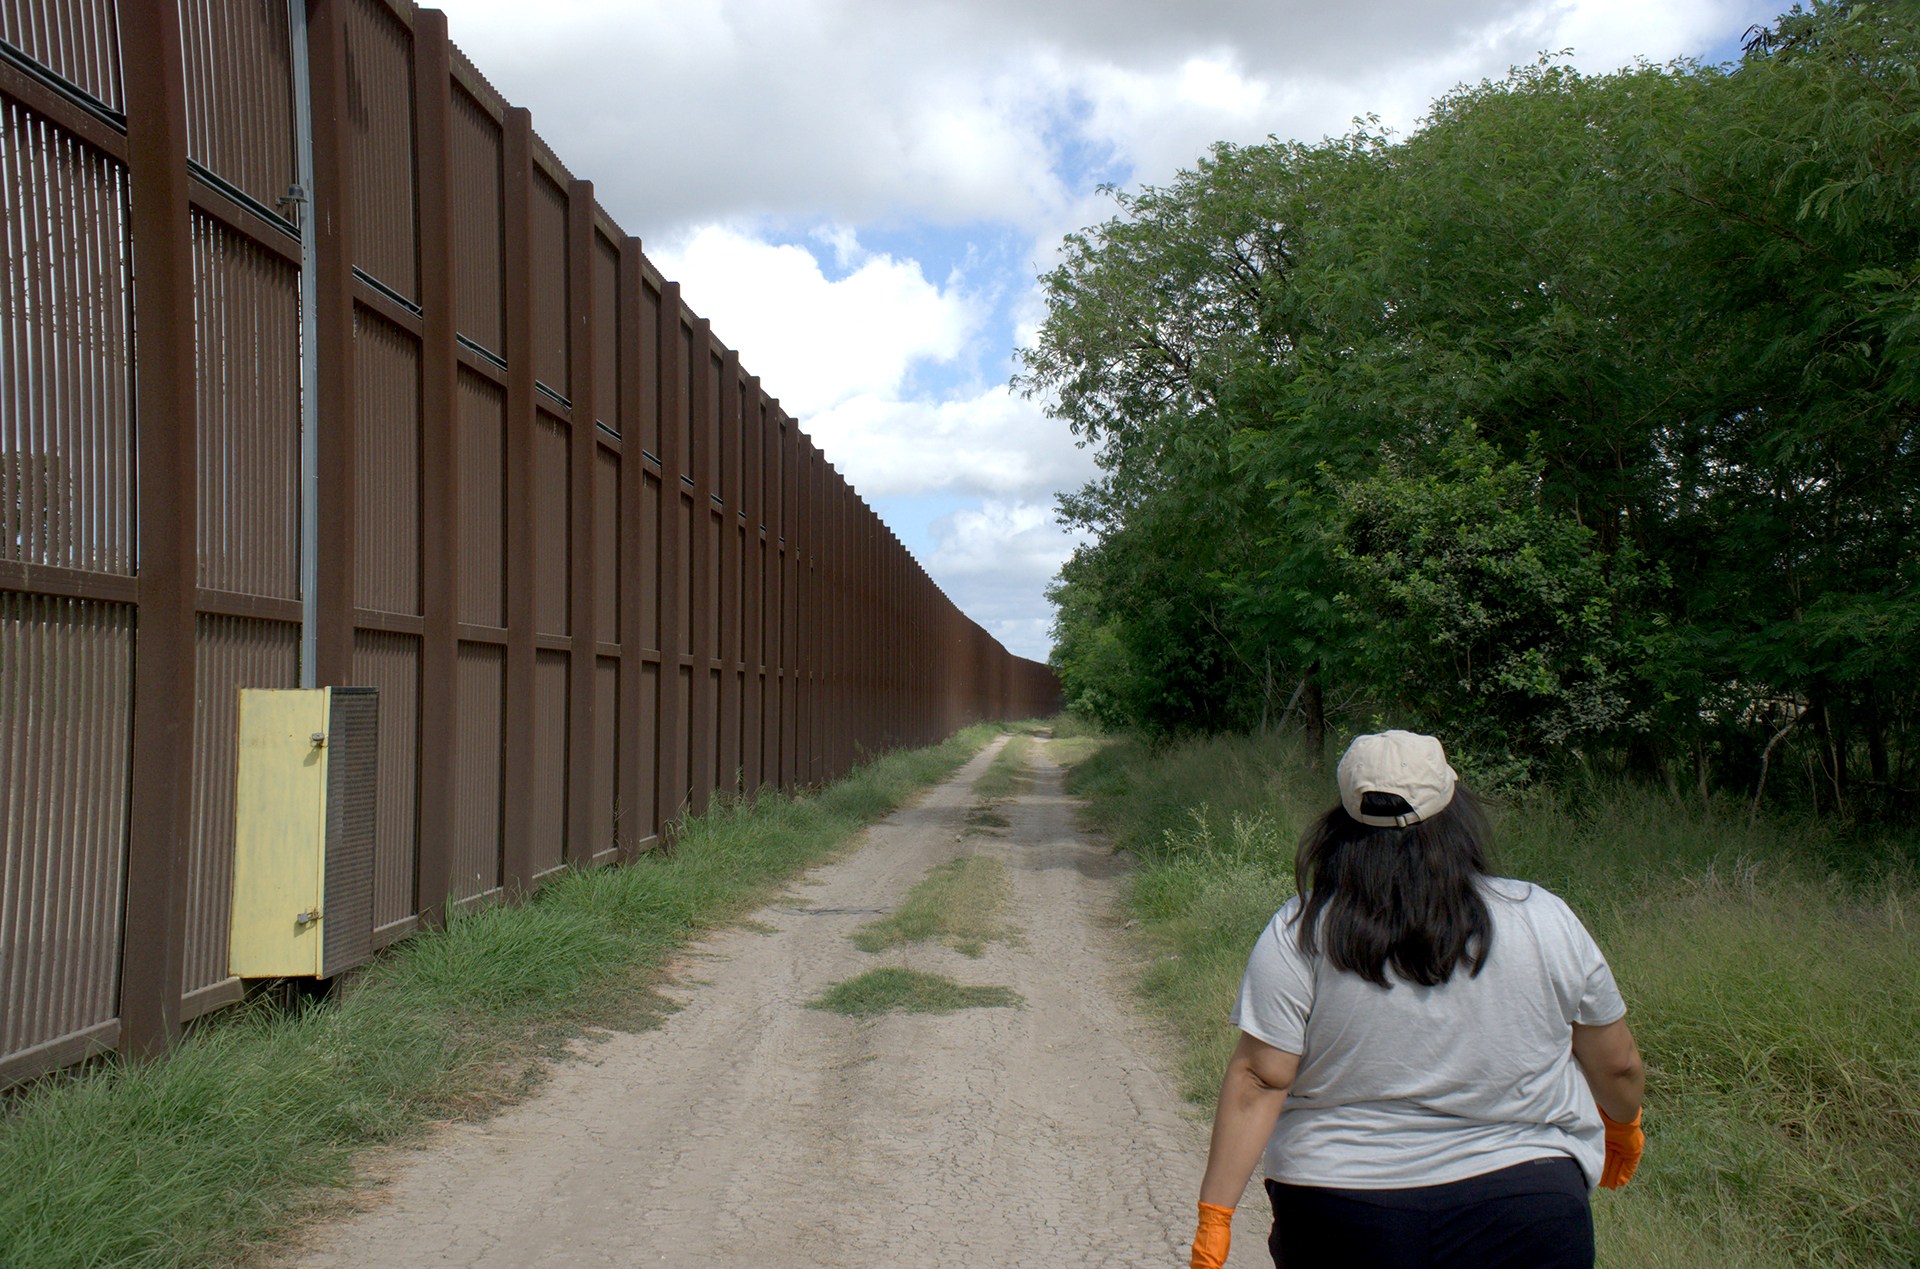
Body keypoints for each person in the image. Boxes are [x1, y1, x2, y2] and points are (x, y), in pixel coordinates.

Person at [1188, 730, 1644, 1269]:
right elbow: (1615, 1064)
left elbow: (1261, 1078)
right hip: (1526, 1202)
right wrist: (1623, 1126)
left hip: (1339, 1210)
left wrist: (1216, 1214)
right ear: (1455, 804)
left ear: (1345, 815)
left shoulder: (1300, 928)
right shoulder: (1543, 917)